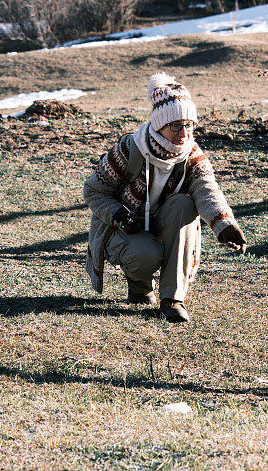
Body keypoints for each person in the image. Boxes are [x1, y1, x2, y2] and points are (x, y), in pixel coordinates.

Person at [83, 72, 247, 323]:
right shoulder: (129, 149)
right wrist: (118, 215)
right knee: (145, 255)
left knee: (185, 203)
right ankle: (140, 287)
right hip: (124, 227)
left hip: (163, 224)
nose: (184, 133)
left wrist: (223, 224)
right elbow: (93, 191)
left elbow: (207, 190)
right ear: (159, 123)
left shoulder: (191, 154)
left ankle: (172, 300)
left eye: (189, 124)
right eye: (175, 125)